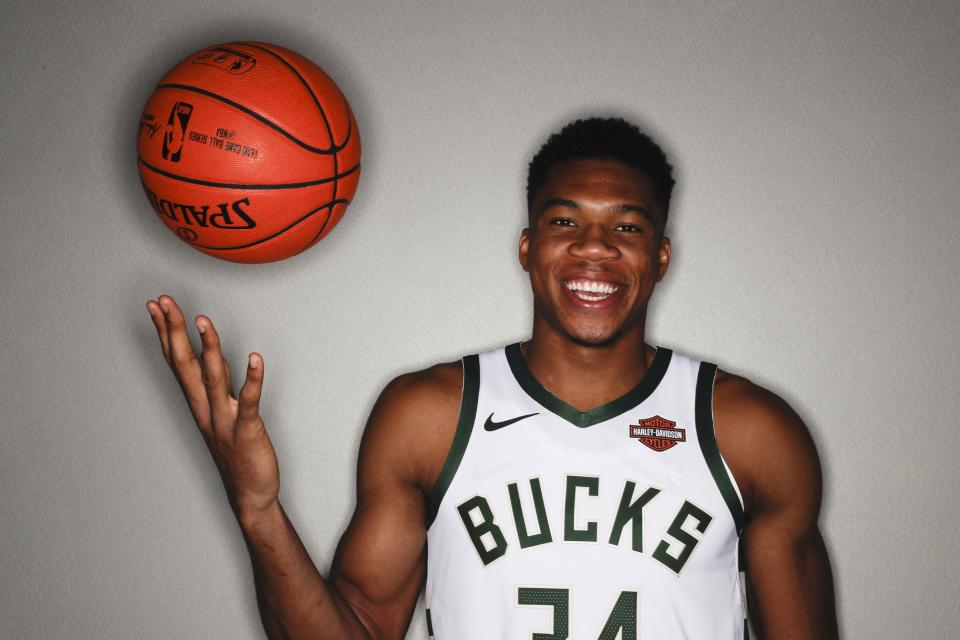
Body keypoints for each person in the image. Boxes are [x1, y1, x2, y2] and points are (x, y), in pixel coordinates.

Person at [145, 117, 839, 639]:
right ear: (529, 248)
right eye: (565, 220)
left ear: (660, 257)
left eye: (626, 228)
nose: (593, 245)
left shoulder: (748, 431)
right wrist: (258, 510)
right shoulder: (430, 416)